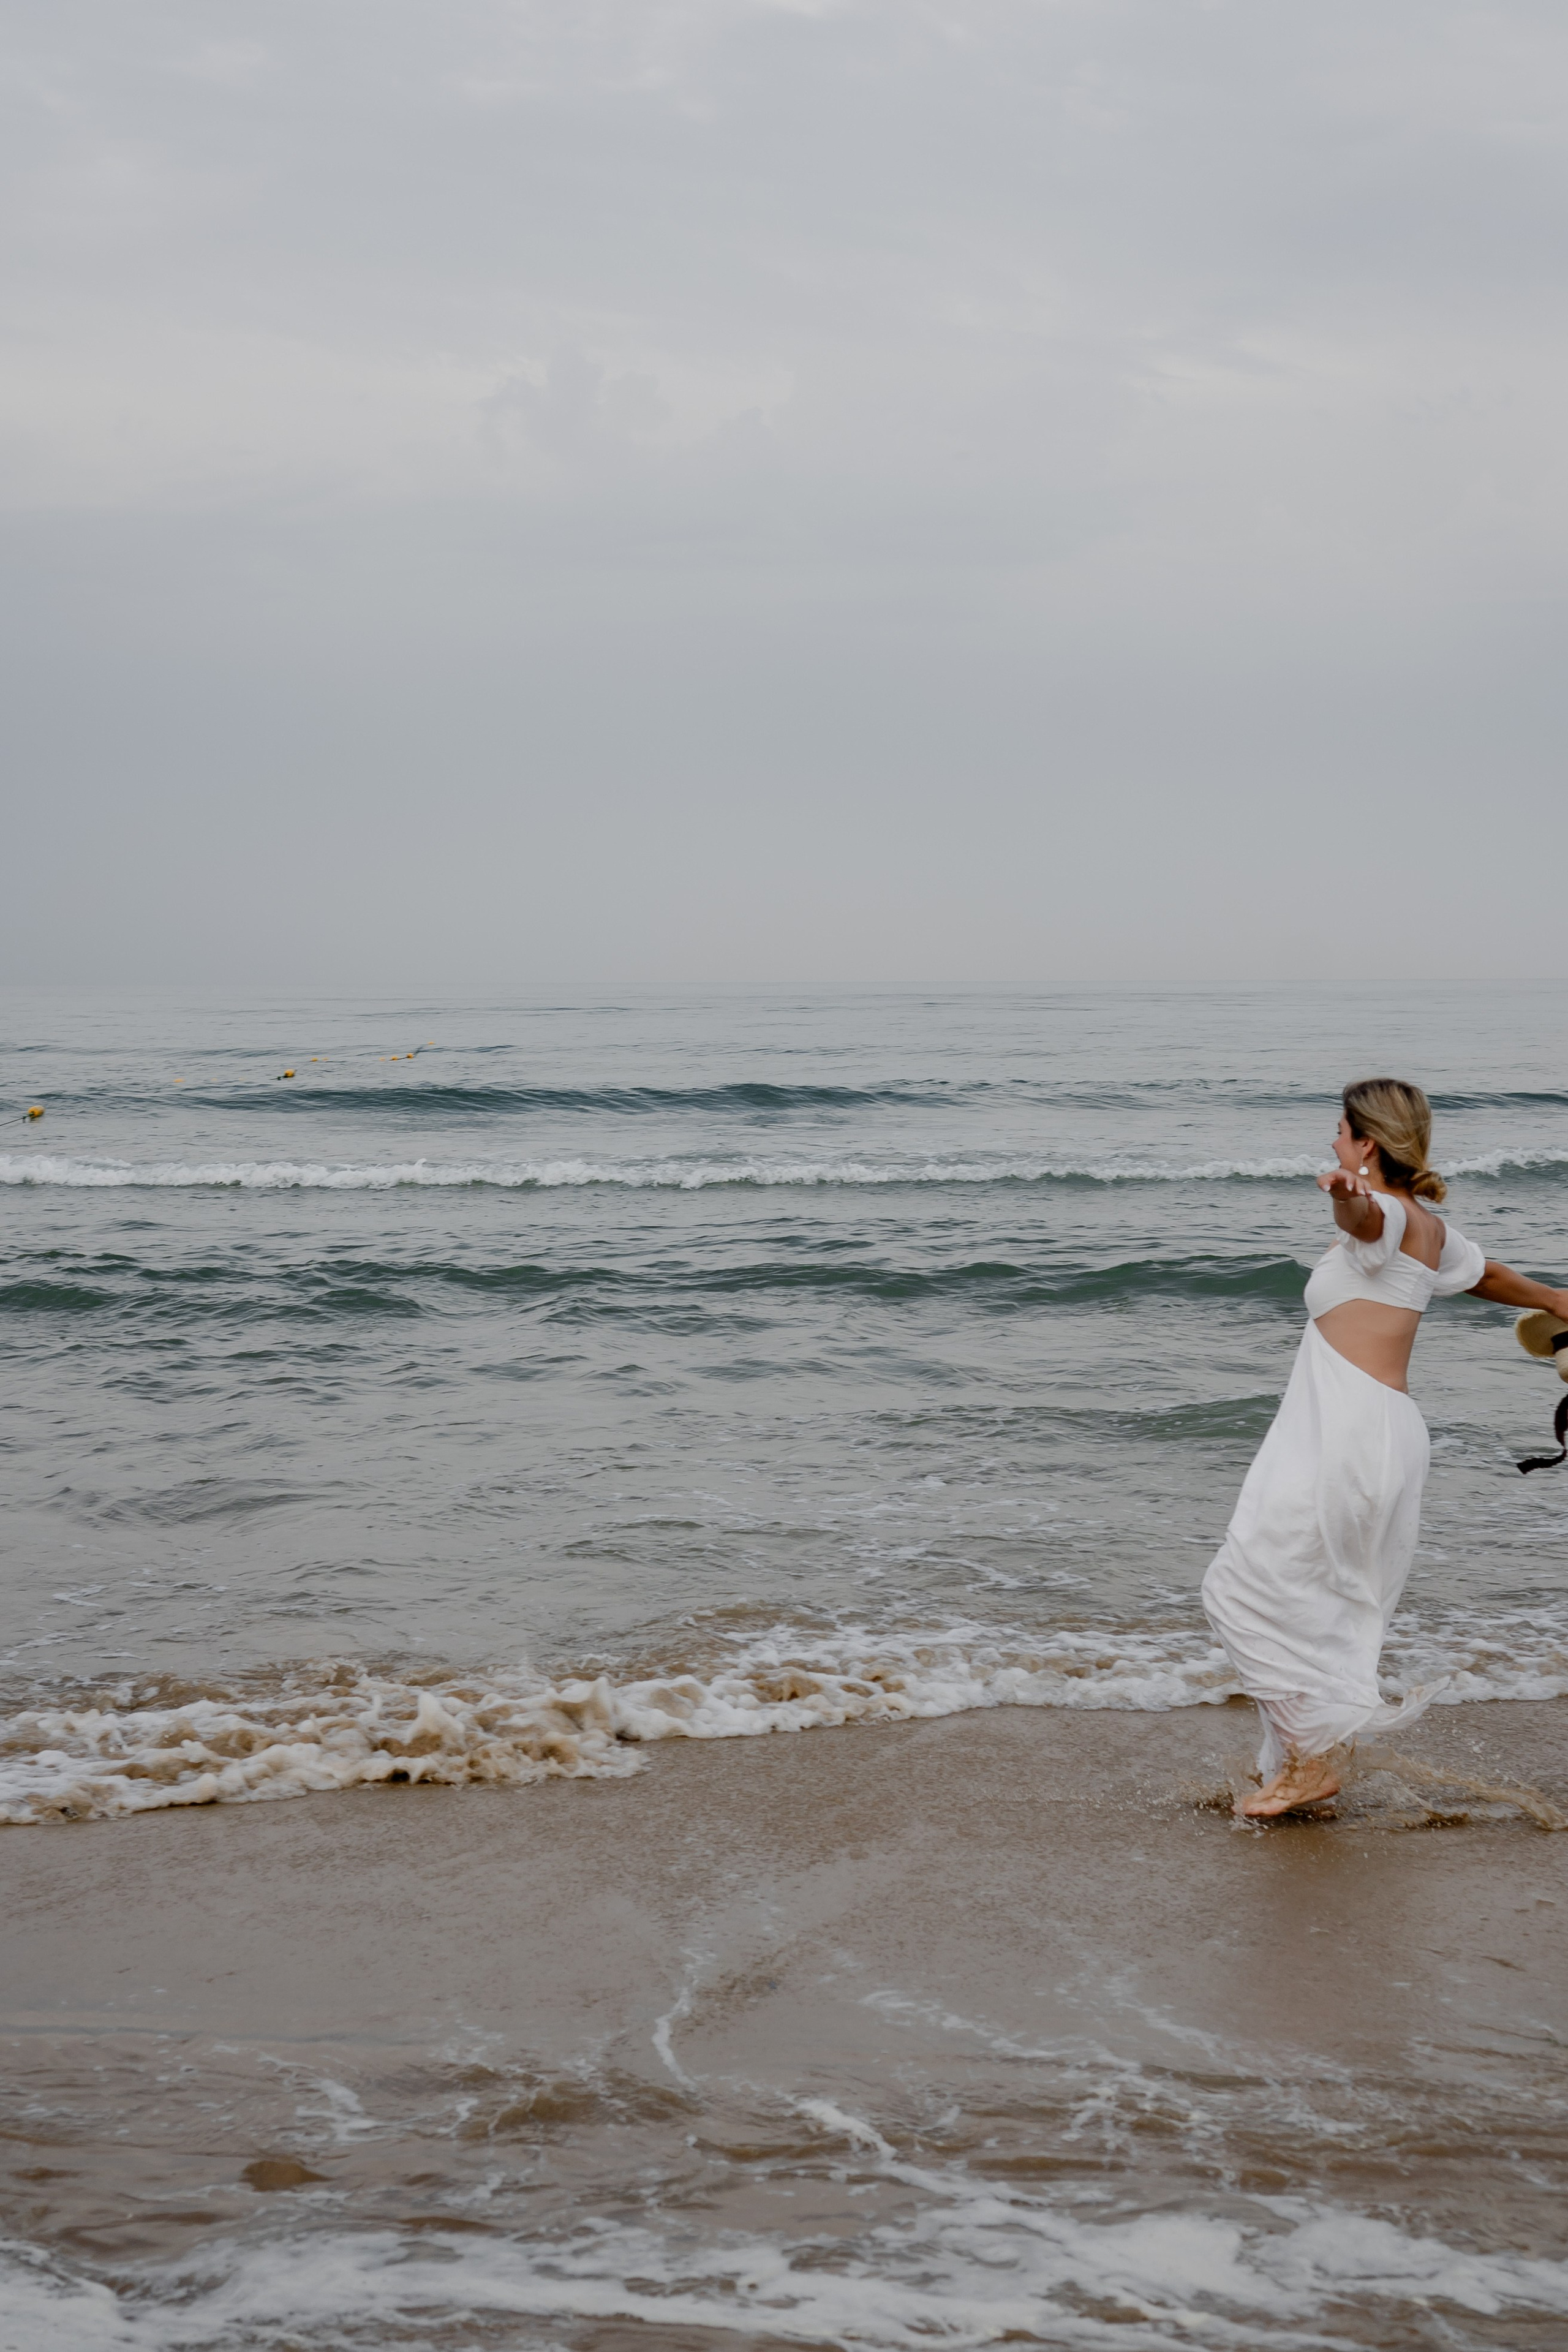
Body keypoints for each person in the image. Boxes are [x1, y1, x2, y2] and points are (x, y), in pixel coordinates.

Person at [1201, 1077, 1568, 1820]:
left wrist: (1345, 1194)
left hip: (1348, 1432)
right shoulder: (1424, 1227)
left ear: (1365, 1142)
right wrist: (1558, 1301)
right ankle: (1300, 1764)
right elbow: (1483, 1274)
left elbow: (1365, 1219)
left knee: (1240, 1589)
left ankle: (1312, 1764)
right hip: (1375, 1430)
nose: (1332, 1141)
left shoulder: (1386, 1218)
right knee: (1312, 1598)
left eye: (1339, 1131)